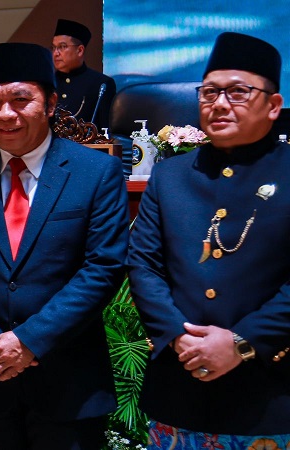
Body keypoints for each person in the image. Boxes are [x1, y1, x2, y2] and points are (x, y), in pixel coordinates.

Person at [0, 42, 129, 449]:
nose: (5, 114)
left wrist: (29, 341)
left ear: (51, 103)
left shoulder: (96, 171)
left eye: (21, 100)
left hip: (68, 383)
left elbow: (103, 267)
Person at [128, 32, 290, 448]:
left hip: (271, 393)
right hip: (179, 391)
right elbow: (144, 264)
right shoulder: (171, 175)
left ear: (273, 106)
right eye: (210, 92)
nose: (218, 104)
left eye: (238, 92)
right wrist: (178, 337)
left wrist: (242, 343)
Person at [52, 19, 116, 130]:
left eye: (62, 47)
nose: (56, 53)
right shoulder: (47, 83)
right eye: (54, 47)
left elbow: (105, 131)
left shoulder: (101, 84)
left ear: (80, 50)